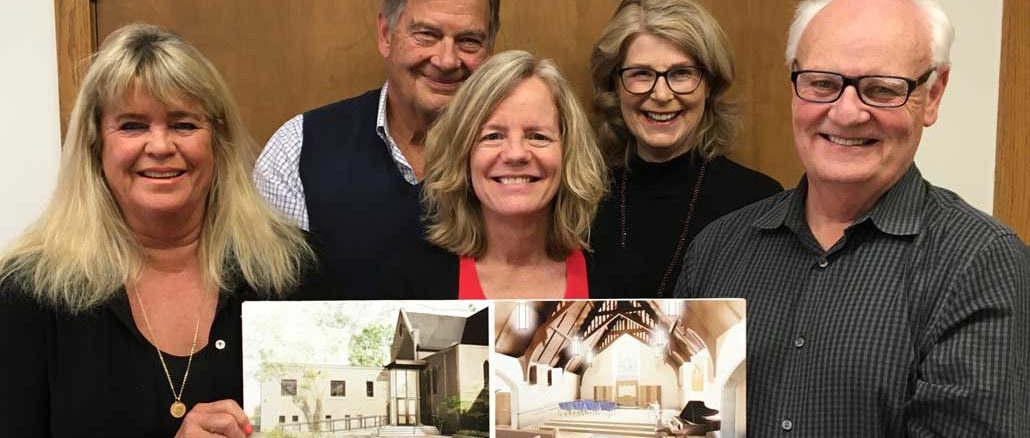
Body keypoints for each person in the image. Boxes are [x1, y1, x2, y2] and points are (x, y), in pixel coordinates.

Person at [675, 0, 1029, 435]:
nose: (846, 113)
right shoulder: (717, 248)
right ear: (794, 84)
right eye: (822, 83)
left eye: (881, 89)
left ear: (933, 95)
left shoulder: (979, 262)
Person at [0, 23, 313, 437]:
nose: (161, 146)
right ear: (96, 145)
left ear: (219, 143)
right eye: (132, 125)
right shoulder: (29, 293)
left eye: (184, 124)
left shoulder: (288, 273)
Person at [254, 0, 500, 295]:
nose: (447, 60)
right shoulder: (298, 148)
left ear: (490, 50)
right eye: (426, 35)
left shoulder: (519, 160)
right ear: (386, 34)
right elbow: (269, 305)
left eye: (469, 41)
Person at [588, 0, 782, 297]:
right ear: (615, 85)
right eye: (641, 74)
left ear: (710, 85)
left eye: (681, 73)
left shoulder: (760, 203)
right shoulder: (580, 200)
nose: (662, 95)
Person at [397, 50, 609, 298]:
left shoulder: (613, 272)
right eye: (493, 136)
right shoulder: (411, 277)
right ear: (463, 155)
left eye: (537, 136)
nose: (515, 154)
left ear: (568, 152)